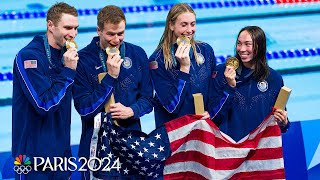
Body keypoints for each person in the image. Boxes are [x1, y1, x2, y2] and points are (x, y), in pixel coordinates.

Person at [72, 5, 154, 179]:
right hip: (96, 148)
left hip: (131, 145)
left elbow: (148, 99)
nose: (116, 40)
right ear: (99, 30)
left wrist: (131, 111)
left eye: (121, 33)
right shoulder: (83, 60)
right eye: (110, 34)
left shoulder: (137, 54)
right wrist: (110, 77)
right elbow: (84, 109)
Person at [12, 2, 78, 179]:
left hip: (62, 155)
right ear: (50, 25)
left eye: (76, 28)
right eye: (68, 28)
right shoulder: (28, 56)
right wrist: (68, 71)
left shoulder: (67, 56)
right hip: (29, 157)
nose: (73, 34)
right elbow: (43, 105)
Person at [208, 26, 290, 142]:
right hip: (228, 149)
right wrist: (229, 87)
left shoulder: (274, 79)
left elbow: (280, 121)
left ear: (259, 47)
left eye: (247, 44)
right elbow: (212, 117)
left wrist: (284, 123)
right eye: (239, 44)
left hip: (258, 150)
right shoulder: (221, 73)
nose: (241, 49)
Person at [149, 3, 216, 127]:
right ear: (171, 25)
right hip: (175, 133)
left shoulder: (206, 50)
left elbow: (214, 89)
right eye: (184, 25)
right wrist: (184, 68)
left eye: (193, 24)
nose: (189, 30)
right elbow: (171, 107)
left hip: (202, 130)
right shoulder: (157, 61)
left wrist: (211, 112)